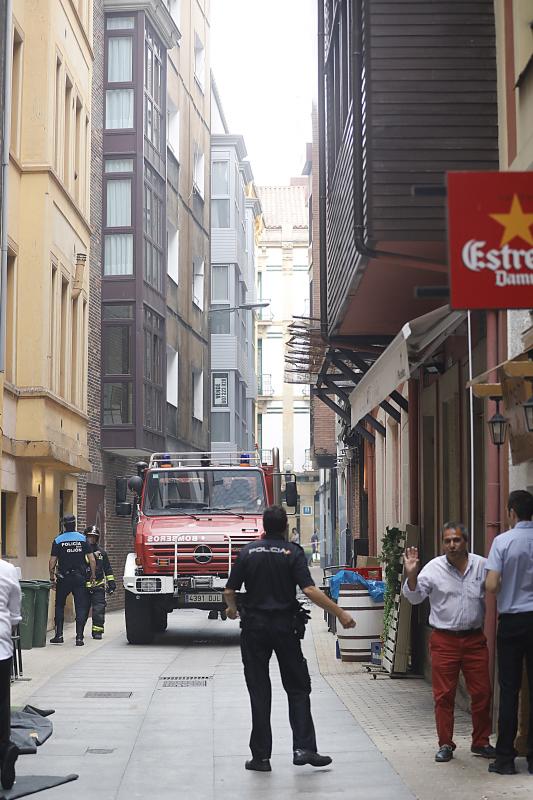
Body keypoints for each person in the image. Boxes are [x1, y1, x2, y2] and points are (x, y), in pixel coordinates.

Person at [224, 505, 356, 772]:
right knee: (297, 688)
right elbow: (309, 589)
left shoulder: (248, 552)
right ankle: (304, 749)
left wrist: (232, 609)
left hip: (255, 630)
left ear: (264, 525)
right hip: (285, 629)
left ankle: (261, 757)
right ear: (285, 527)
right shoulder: (292, 553)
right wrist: (340, 613)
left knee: (259, 691)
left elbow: (230, 590)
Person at [402, 522, 495, 763]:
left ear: (466, 542)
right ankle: (445, 743)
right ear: (443, 543)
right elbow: (414, 597)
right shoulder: (433, 569)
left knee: (482, 692)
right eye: (447, 541)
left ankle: (481, 741)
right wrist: (411, 575)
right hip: (444, 640)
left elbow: (498, 589)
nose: (452, 545)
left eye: (456, 540)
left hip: (474, 639)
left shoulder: (482, 566)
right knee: (444, 695)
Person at [485, 489, 533, 776]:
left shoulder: (503, 542)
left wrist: (508, 586)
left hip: (513, 621)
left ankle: (505, 758)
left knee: (510, 688)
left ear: (511, 512)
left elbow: (491, 585)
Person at [49, 514, 96, 646]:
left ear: (64, 525)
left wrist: (52, 577)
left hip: (64, 578)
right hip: (80, 578)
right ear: (75, 524)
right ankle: (79, 638)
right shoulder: (82, 539)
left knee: (59, 605)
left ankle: (59, 635)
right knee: (80, 606)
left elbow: (52, 561)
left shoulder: (58, 540)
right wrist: (92, 576)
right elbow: (92, 560)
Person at [0, 558, 21, 790]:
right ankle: (4, 748)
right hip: (1, 650)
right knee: (2, 706)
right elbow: (15, 615)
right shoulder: (7, 570)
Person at [84, 526, 116, 640]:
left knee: (99, 610)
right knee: (82, 611)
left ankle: (97, 631)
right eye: (89, 537)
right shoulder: (81, 552)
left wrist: (111, 583)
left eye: (93, 537)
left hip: (98, 585)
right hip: (83, 587)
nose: (91, 540)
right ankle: (80, 632)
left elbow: (107, 569)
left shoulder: (102, 553)